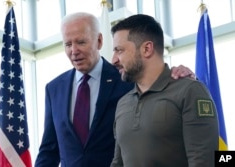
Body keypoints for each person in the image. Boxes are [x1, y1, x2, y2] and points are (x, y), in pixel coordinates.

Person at [34, 12, 196, 167]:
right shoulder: (54, 89)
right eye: (68, 44)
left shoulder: (127, 78)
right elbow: (49, 149)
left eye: (81, 42)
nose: (74, 51)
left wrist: (179, 76)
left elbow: (158, 82)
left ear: (99, 41)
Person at [110, 14, 219, 167]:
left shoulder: (190, 91)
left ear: (147, 49)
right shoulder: (123, 103)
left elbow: (204, 162)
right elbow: (118, 162)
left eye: (119, 50)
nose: (113, 59)